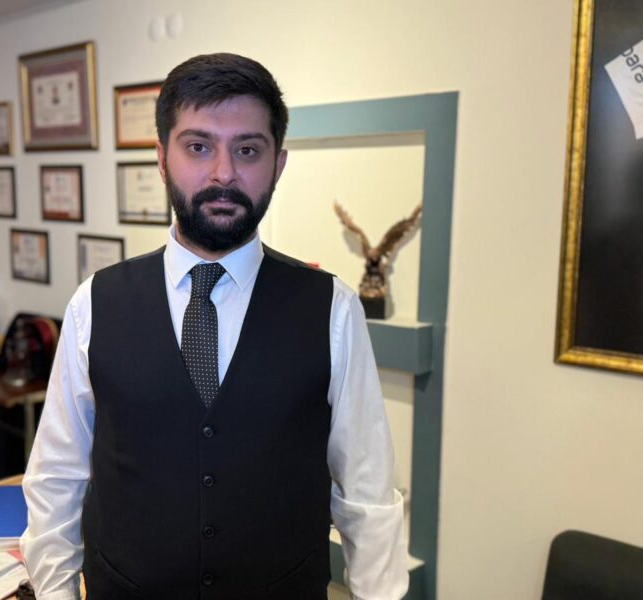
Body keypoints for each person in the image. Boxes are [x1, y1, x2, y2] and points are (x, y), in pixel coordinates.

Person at [21, 53, 408, 600]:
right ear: (162, 159)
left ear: (278, 164)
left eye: (247, 150)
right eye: (198, 147)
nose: (224, 173)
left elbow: (367, 495)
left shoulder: (333, 309)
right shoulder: (94, 304)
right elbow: (57, 478)